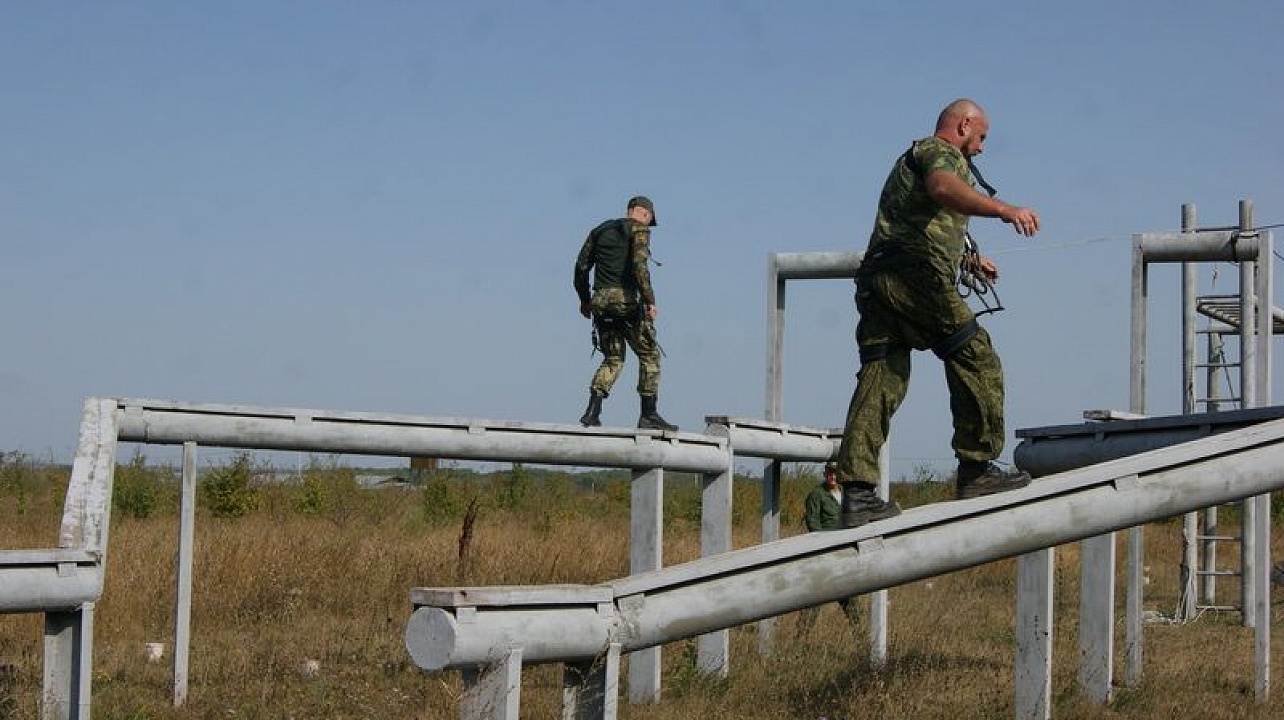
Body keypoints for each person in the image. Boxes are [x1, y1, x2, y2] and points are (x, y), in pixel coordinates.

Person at [835, 98, 1041, 528]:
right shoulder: (939, 152)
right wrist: (1005, 211)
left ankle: (857, 495)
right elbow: (943, 190)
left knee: (881, 378)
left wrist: (968, 262)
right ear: (964, 124)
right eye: (981, 137)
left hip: (877, 281)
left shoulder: (913, 159)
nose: (982, 149)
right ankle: (977, 468)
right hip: (911, 275)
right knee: (975, 354)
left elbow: (918, 224)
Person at [574, 196, 678, 431]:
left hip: (601, 303)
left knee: (613, 358)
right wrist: (650, 301)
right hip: (627, 304)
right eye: (649, 218)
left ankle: (592, 412)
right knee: (650, 356)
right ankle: (648, 415)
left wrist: (585, 301)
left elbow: (580, 268)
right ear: (643, 213)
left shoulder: (598, 231)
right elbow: (639, 267)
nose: (648, 223)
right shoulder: (639, 230)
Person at [800, 462, 861, 623]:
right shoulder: (817, 495)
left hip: (845, 553)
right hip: (825, 555)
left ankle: (861, 639)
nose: (832, 476)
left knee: (850, 598)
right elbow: (813, 525)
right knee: (817, 596)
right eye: (829, 473)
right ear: (824, 474)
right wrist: (828, 542)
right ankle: (801, 638)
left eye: (835, 473)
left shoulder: (845, 493)